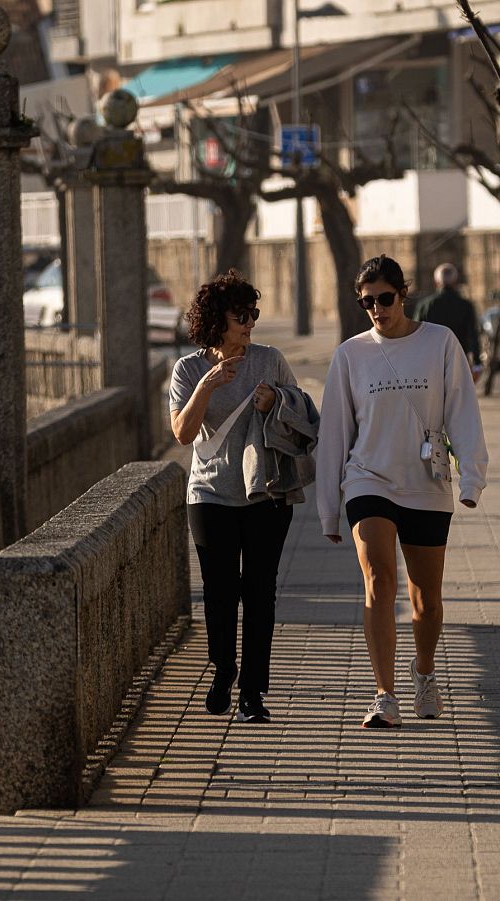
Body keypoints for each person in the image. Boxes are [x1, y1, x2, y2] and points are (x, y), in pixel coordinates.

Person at [316, 254, 489, 728]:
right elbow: (335, 432)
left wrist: (472, 477)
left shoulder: (440, 343)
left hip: (426, 484)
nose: (377, 309)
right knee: (379, 581)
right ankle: (384, 695)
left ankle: (426, 673)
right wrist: (329, 511)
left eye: (385, 299)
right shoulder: (350, 354)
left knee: (426, 598)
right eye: (367, 302)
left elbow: (462, 412)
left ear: (403, 294)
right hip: (368, 478)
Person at [169, 271, 305, 724]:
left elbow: (301, 411)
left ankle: (252, 691)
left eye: (254, 314)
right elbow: (183, 433)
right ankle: (223, 668)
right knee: (220, 591)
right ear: (216, 321)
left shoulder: (270, 360)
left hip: (265, 492)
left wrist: (276, 402)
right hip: (209, 495)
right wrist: (209, 384)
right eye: (240, 316)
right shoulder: (188, 369)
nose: (249, 323)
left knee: (260, 592)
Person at [411, 263, 483, 383]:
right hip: (459, 360)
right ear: (455, 282)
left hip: (431, 362)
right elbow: (473, 335)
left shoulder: (425, 306)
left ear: (436, 282)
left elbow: (415, 336)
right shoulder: (466, 306)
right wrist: (477, 363)